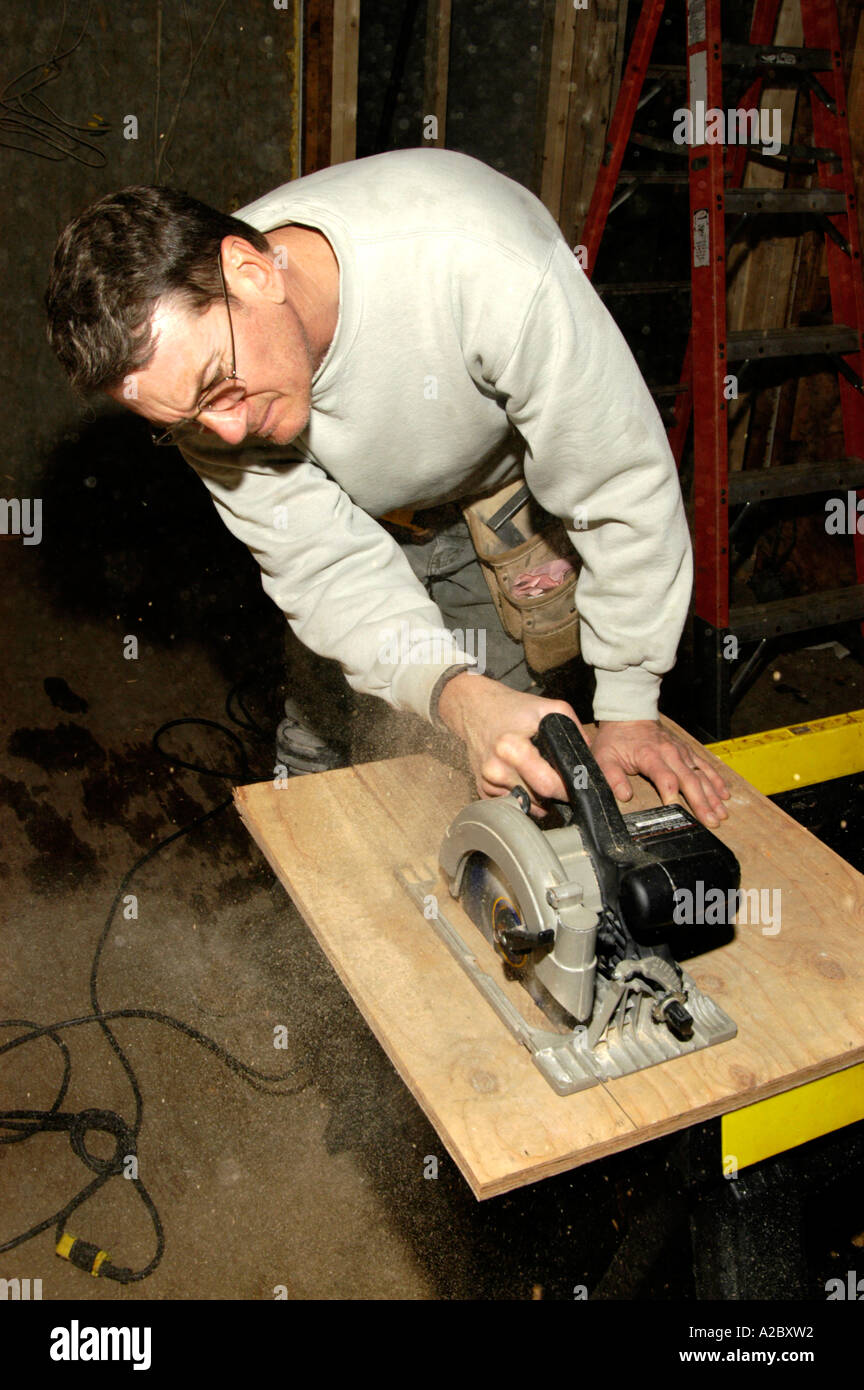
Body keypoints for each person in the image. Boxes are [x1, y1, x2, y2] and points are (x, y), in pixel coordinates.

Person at [45, 147, 730, 827]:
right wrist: (458, 697)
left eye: (218, 388)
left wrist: (629, 705)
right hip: (359, 513)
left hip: (498, 501)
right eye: (187, 421)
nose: (224, 434)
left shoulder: (481, 258)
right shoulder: (190, 372)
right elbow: (322, 563)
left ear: (252, 273)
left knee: (515, 780)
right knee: (320, 775)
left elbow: (613, 481)